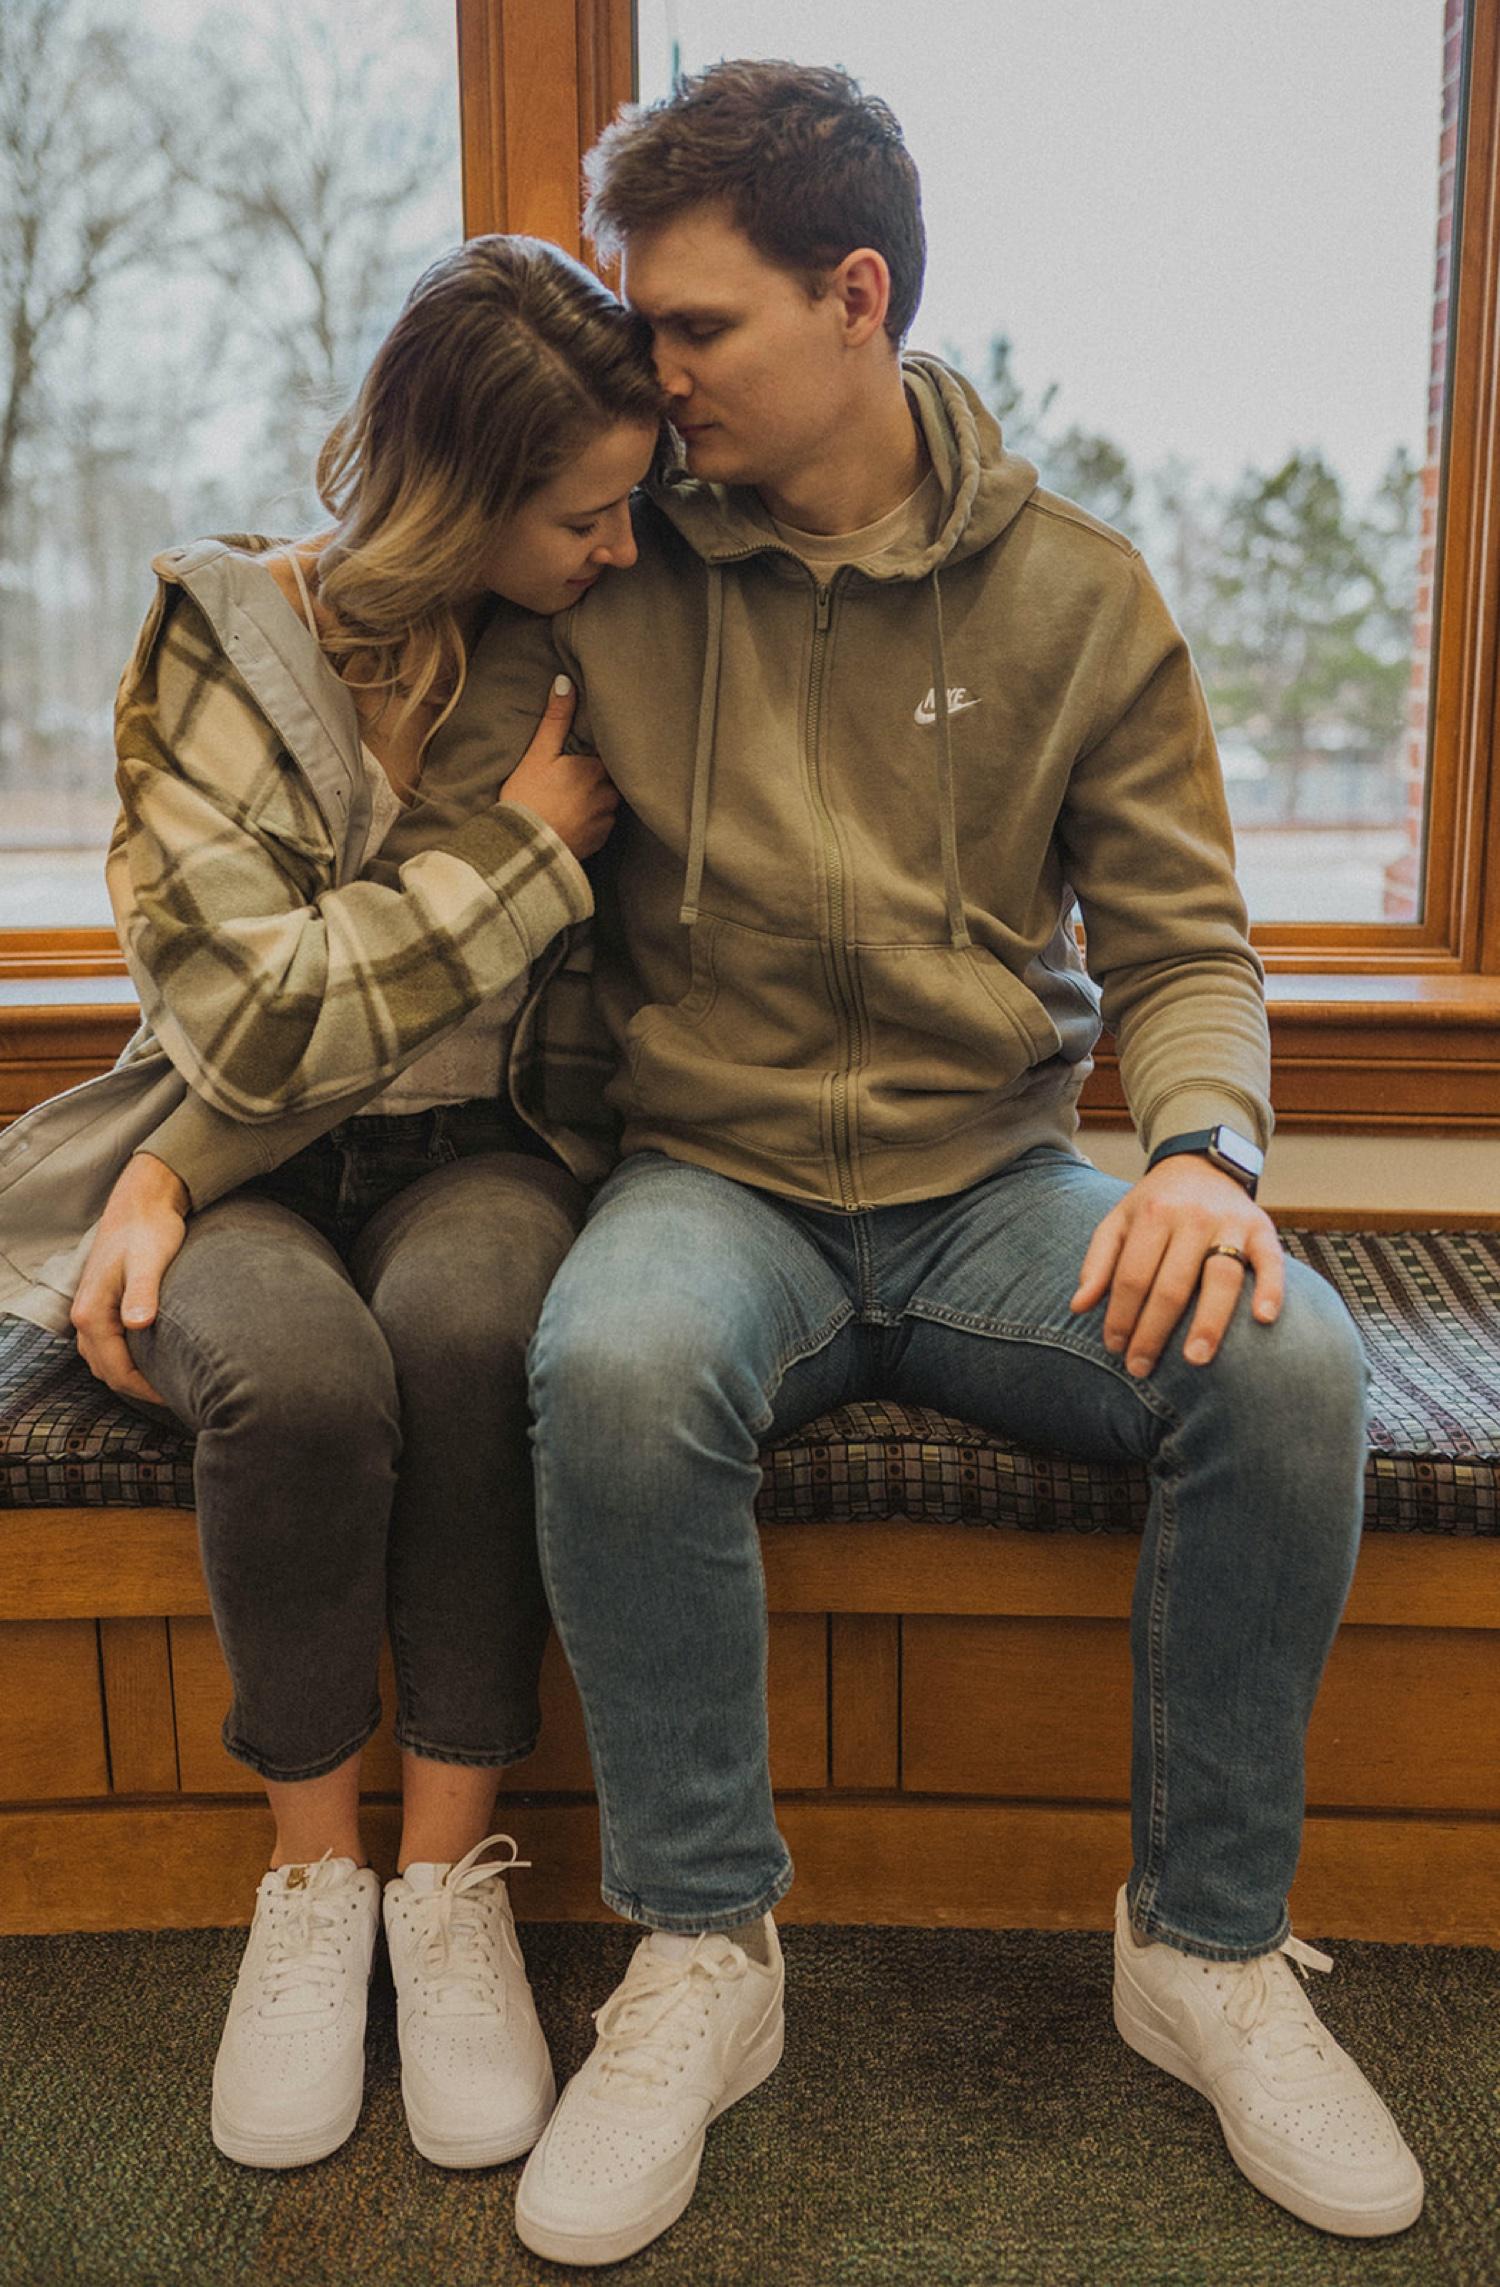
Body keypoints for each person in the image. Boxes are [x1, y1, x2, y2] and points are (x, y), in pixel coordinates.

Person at [46, 60, 1423, 2262]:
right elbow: (381, 854)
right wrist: (174, 1161)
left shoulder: (1083, 599)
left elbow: (1190, 950)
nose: (650, 372)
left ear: (853, 295)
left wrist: (1210, 1157)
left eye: (691, 328)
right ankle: (706, 1954)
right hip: (709, 1179)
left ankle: (1209, 1949)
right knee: (600, 1357)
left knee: (1292, 1369)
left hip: (996, 1190)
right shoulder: (603, 564)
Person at [0, 233, 663, 2173]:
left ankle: (445, 1887)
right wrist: (525, 866)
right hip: (244, 1146)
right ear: (465, 494)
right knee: (291, 1375)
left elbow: (354, 997)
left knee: (471, 1329)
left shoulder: (583, 640)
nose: (619, 548)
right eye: (583, 514)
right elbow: (261, 1031)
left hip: (489, 1151)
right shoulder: (218, 637)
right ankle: (314, 1890)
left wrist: (173, 1156)